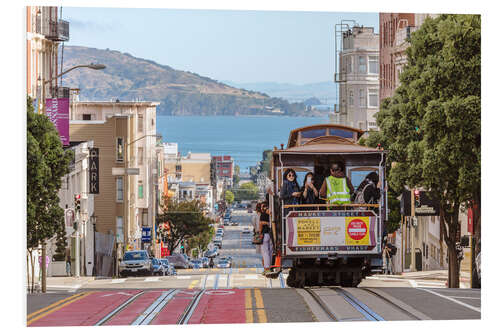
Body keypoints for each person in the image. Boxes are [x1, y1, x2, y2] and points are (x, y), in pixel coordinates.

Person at [259, 201, 273, 275]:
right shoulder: (272, 214)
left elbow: (260, 223)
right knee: (270, 251)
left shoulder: (263, 214)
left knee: (265, 252)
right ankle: (269, 267)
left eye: (262, 206)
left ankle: (267, 268)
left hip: (265, 234)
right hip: (272, 235)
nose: (261, 208)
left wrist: (260, 233)